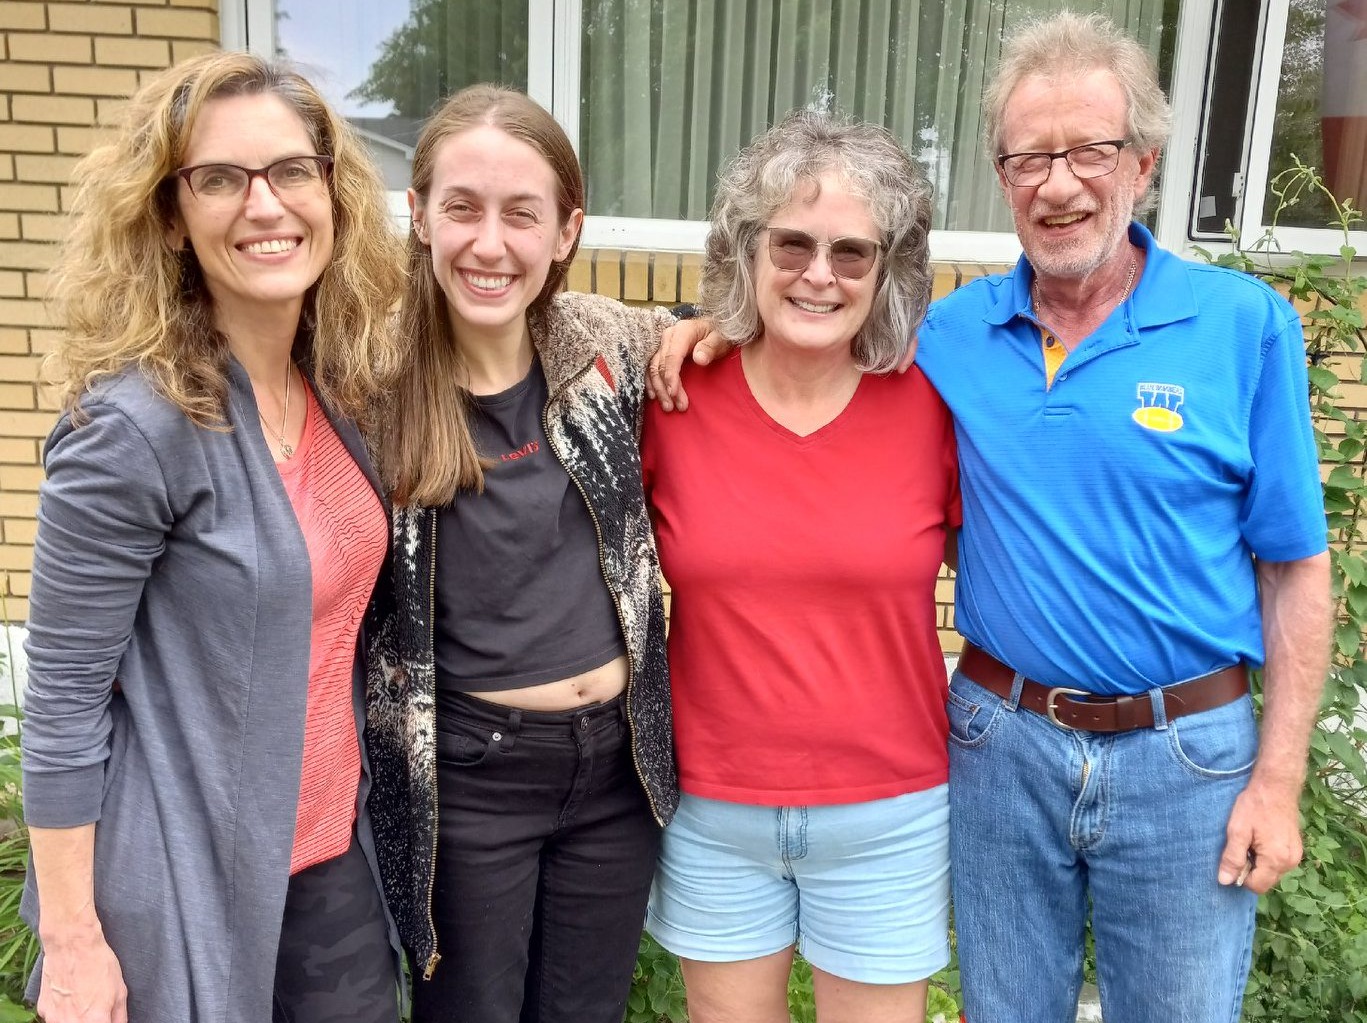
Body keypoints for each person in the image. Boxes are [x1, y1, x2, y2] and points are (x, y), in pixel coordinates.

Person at [652, 13, 1332, 1023]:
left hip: (1186, 753)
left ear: (1142, 161)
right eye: (1028, 159)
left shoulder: (1241, 327)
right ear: (1002, 176)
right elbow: (808, 324)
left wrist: (1276, 780)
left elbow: (1293, 565)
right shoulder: (947, 343)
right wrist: (711, 327)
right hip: (998, 742)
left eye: (1089, 151)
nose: (1057, 184)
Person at [20, 52, 407, 1023]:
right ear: (172, 216)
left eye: (289, 171)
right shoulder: (134, 432)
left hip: (332, 877)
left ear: (332, 190)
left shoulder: (335, 393)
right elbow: (64, 705)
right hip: (186, 892)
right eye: (219, 179)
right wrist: (72, 945)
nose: (262, 205)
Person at [362, 84, 678, 1023]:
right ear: (418, 215)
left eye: (521, 214)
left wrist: (698, 332)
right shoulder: (368, 382)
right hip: (468, 777)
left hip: (618, 770)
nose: (489, 244)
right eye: (461, 207)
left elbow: (715, 340)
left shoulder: (606, 345)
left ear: (566, 229)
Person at [639, 110, 958, 1023]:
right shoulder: (672, 393)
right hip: (714, 809)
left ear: (885, 269)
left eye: (851, 252)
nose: (817, 274)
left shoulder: (935, 404)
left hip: (887, 812)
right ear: (745, 250)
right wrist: (678, 326)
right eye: (790, 243)